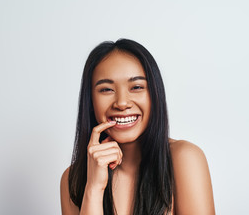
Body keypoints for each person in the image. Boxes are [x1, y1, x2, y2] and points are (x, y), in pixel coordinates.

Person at [60, 39, 215, 214]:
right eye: (106, 90)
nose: (122, 103)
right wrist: (94, 189)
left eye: (137, 87)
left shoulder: (185, 159)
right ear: (90, 102)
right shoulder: (72, 179)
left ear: (155, 95)